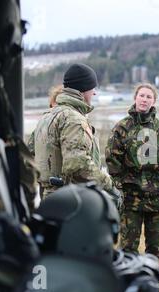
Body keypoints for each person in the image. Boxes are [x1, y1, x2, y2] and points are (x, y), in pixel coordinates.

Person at [105, 83, 159, 261]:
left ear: (154, 102)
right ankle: (126, 284)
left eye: (149, 97)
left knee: (154, 248)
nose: (144, 100)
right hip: (131, 196)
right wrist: (118, 186)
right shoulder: (122, 127)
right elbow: (112, 159)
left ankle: (152, 284)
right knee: (128, 247)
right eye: (142, 96)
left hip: (158, 196)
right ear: (135, 98)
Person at [33, 63, 116, 199]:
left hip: (51, 197)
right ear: (83, 90)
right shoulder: (73, 119)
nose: (94, 92)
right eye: (92, 88)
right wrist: (109, 186)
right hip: (71, 200)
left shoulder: (49, 115)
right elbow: (77, 165)